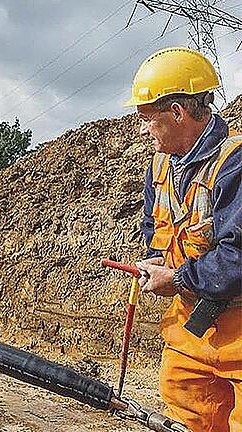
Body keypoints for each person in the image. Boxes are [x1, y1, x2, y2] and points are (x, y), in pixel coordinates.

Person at [126, 47, 242, 432]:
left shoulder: (234, 163)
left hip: (240, 329)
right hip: (190, 327)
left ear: (177, 112)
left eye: (147, 118)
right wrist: (157, 259)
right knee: (187, 420)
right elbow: (153, 228)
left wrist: (176, 279)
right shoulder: (160, 165)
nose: (142, 130)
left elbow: (237, 258)